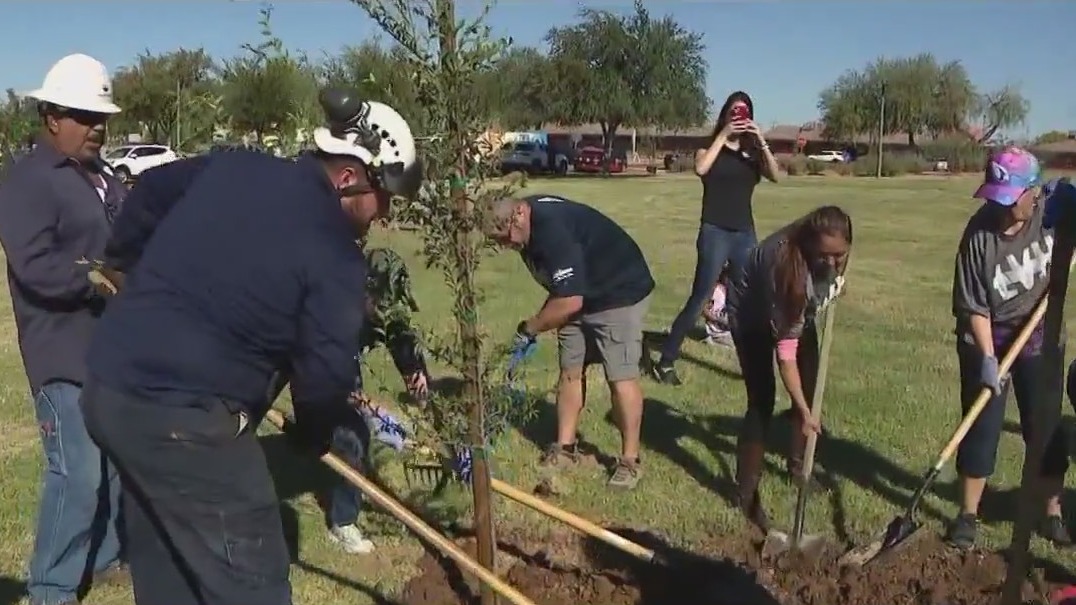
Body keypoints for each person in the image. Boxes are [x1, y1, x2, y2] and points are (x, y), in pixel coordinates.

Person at [80, 88, 422, 605]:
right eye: (387, 196)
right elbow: (326, 376)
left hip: (108, 391)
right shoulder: (336, 256)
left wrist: (124, 263)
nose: (386, 214)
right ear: (350, 176)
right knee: (253, 581)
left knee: (168, 566)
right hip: (186, 426)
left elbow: (149, 193)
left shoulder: (235, 168)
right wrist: (313, 432)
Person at [0, 53, 126, 605]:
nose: (97, 127)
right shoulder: (27, 180)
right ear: (51, 116)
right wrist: (99, 280)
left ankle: (104, 559)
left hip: (112, 351)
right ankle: (51, 587)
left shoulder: (102, 178)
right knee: (77, 475)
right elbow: (33, 265)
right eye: (84, 115)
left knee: (116, 465)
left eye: (102, 117)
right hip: (60, 351)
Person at [945, 147, 1075, 550]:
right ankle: (968, 514)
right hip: (989, 337)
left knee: (1046, 428)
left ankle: (1052, 512)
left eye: (1009, 198)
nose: (1000, 208)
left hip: (1041, 333)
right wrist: (987, 357)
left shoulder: (1053, 212)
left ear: (1030, 193)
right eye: (995, 197)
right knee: (981, 429)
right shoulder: (978, 237)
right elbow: (974, 307)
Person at [484, 194, 655, 490]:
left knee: (620, 375)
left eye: (507, 236)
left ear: (520, 213)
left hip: (619, 291)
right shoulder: (528, 227)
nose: (507, 245)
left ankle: (630, 461)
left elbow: (569, 301)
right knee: (570, 369)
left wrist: (531, 327)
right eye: (499, 241)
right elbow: (569, 292)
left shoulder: (551, 230)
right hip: (579, 292)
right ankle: (565, 448)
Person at [725, 205, 852, 531]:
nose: (832, 262)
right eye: (824, 256)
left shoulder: (829, 251)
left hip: (794, 310)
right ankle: (746, 493)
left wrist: (834, 280)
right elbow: (786, 356)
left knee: (809, 389)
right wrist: (804, 411)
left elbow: (831, 269)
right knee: (762, 399)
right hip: (750, 312)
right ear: (810, 244)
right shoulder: (785, 269)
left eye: (839, 255)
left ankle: (799, 470)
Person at [653, 90, 781, 385]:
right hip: (715, 231)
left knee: (743, 303)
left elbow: (777, 176)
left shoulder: (752, 155)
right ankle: (667, 360)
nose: (739, 116)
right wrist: (723, 135)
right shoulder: (708, 149)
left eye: (744, 111)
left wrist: (759, 139)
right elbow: (700, 168)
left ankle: (751, 368)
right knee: (700, 298)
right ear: (725, 114)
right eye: (734, 111)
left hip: (744, 234)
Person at [324, 246, 430, 554]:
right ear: (364, 291)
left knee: (354, 428)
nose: (387, 312)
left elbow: (405, 349)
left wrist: (427, 405)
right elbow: (344, 389)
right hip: (297, 355)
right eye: (381, 304)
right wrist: (379, 418)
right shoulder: (334, 313)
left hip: (337, 362)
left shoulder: (384, 309)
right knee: (352, 435)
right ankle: (342, 523)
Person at [703, 261, 733, 346]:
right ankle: (712, 340)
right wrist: (717, 319)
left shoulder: (732, 290)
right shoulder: (714, 290)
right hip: (718, 332)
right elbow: (703, 309)